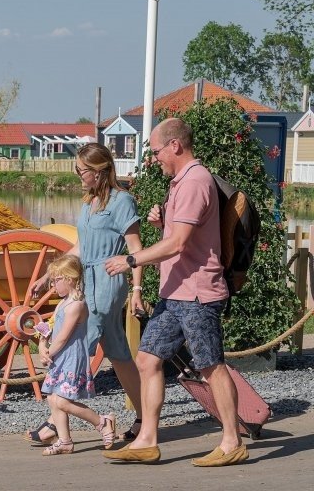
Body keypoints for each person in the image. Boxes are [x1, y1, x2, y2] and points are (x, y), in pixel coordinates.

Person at [102, 118, 248, 467]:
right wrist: (162, 219)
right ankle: (147, 440)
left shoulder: (196, 180)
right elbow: (183, 232)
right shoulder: (181, 182)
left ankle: (232, 441)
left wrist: (131, 259)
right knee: (148, 360)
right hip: (175, 292)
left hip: (197, 294)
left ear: (175, 146)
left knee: (211, 366)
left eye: (155, 151)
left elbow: (179, 243)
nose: (154, 159)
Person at [27, 143, 145, 445]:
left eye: (82, 171)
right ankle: (146, 416)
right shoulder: (88, 203)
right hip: (85, 279)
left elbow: (136, 251)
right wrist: (48, 275)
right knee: (118, 352)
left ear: (100, 171)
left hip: (107, 280)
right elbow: (80, 248)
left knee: (73, 345)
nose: (78, 175)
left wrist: (136, 290)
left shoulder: (122, 202)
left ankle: (56, 419)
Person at [36, 254, 116, 456]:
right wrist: (42, 344)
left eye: (56, 280)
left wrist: (48, 353)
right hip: (59, 358)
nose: (53, 285)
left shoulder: (76, 306)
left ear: (70, 279)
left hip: (71, 357)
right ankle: (64, 441)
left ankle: (102, 422)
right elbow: (49, 328)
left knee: (63, 401)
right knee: (53, 399)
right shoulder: (62, 304)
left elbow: (62, 338)